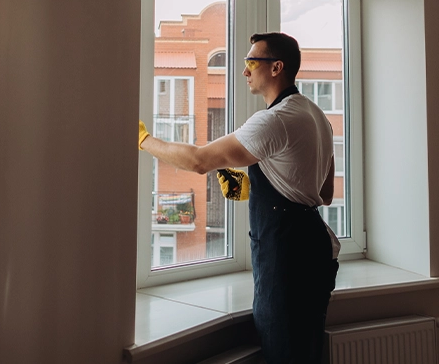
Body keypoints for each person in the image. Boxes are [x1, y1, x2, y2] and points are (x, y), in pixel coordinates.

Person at [138, 32, 340, 363]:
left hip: (287, 258)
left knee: (284, 354)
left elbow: (199, 160)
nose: (244, 71)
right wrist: (263, 180)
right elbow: (324, 194)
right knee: (307, 352)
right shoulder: (317, 116)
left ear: (276, 67)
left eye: (250, 62)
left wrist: (144, 140)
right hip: (315, 251)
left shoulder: (274, 120)